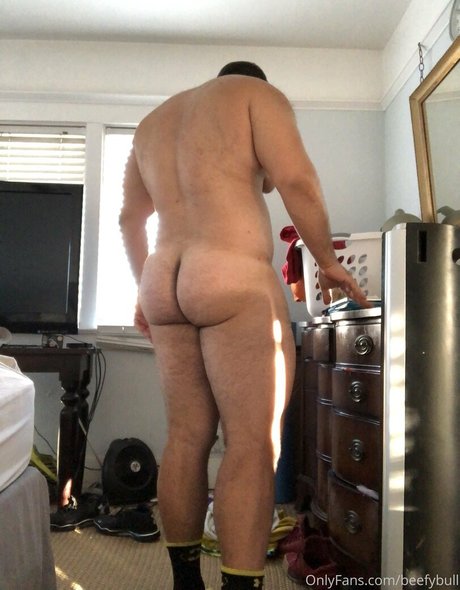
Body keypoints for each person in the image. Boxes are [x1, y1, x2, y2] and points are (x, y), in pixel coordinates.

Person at [120, 61, 369, 590]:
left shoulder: (153, 123)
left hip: (163, 279)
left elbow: (130, 219)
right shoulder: (258, 95)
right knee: (252, 444)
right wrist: (327, 261)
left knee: (185, 436)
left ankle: (185, 581)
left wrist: (144, 289)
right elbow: (295, 180)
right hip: (228, 274)